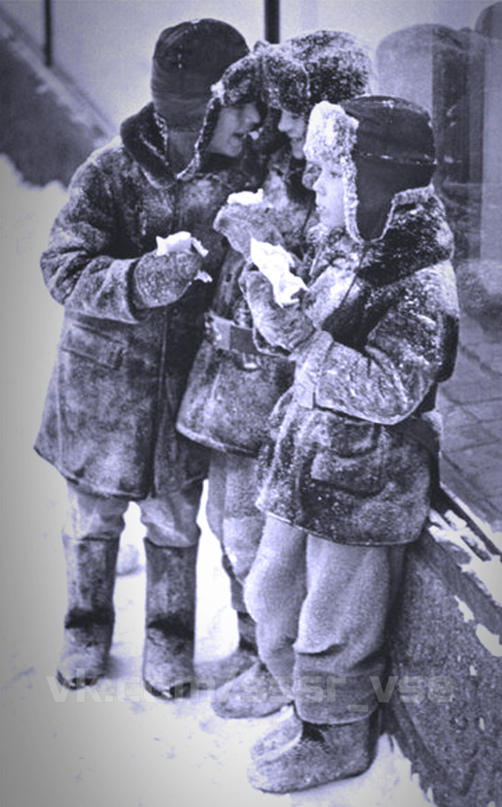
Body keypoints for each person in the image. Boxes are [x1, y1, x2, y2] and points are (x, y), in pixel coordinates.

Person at [34, 18, 265, 697]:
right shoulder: (109, 173)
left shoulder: (243, 176)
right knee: (94, 520)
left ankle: (169, 640)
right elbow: (61, 267)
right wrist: (135, 281)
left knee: (173, 523)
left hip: (185, 395)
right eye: (240, 107)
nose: (254, 121)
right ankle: (84, 627)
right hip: (101, 394)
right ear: (201, 112)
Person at [240, 97, 460, 792]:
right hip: (307, 462)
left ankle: (335, 736)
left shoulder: (421, 279)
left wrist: (306, 341)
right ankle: (305, 711)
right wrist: (276, 304)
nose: (314, 184)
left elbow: (394, 390)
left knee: (334, 627)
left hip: (366, 482)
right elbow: (313, 329)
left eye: (331, 174)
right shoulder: (348, 244)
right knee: (270, 594)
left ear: (373, 183)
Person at [176, 31, 372, 718]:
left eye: (291, 110)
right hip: (232, 377)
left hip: (277, 387)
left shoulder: (340, 184)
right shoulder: (275, 154)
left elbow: (323, 285)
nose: (278, 123)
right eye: (276, 109)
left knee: (256, 539)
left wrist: (263, 238)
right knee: (227, 525)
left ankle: (273, 662)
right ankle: (252, 644)